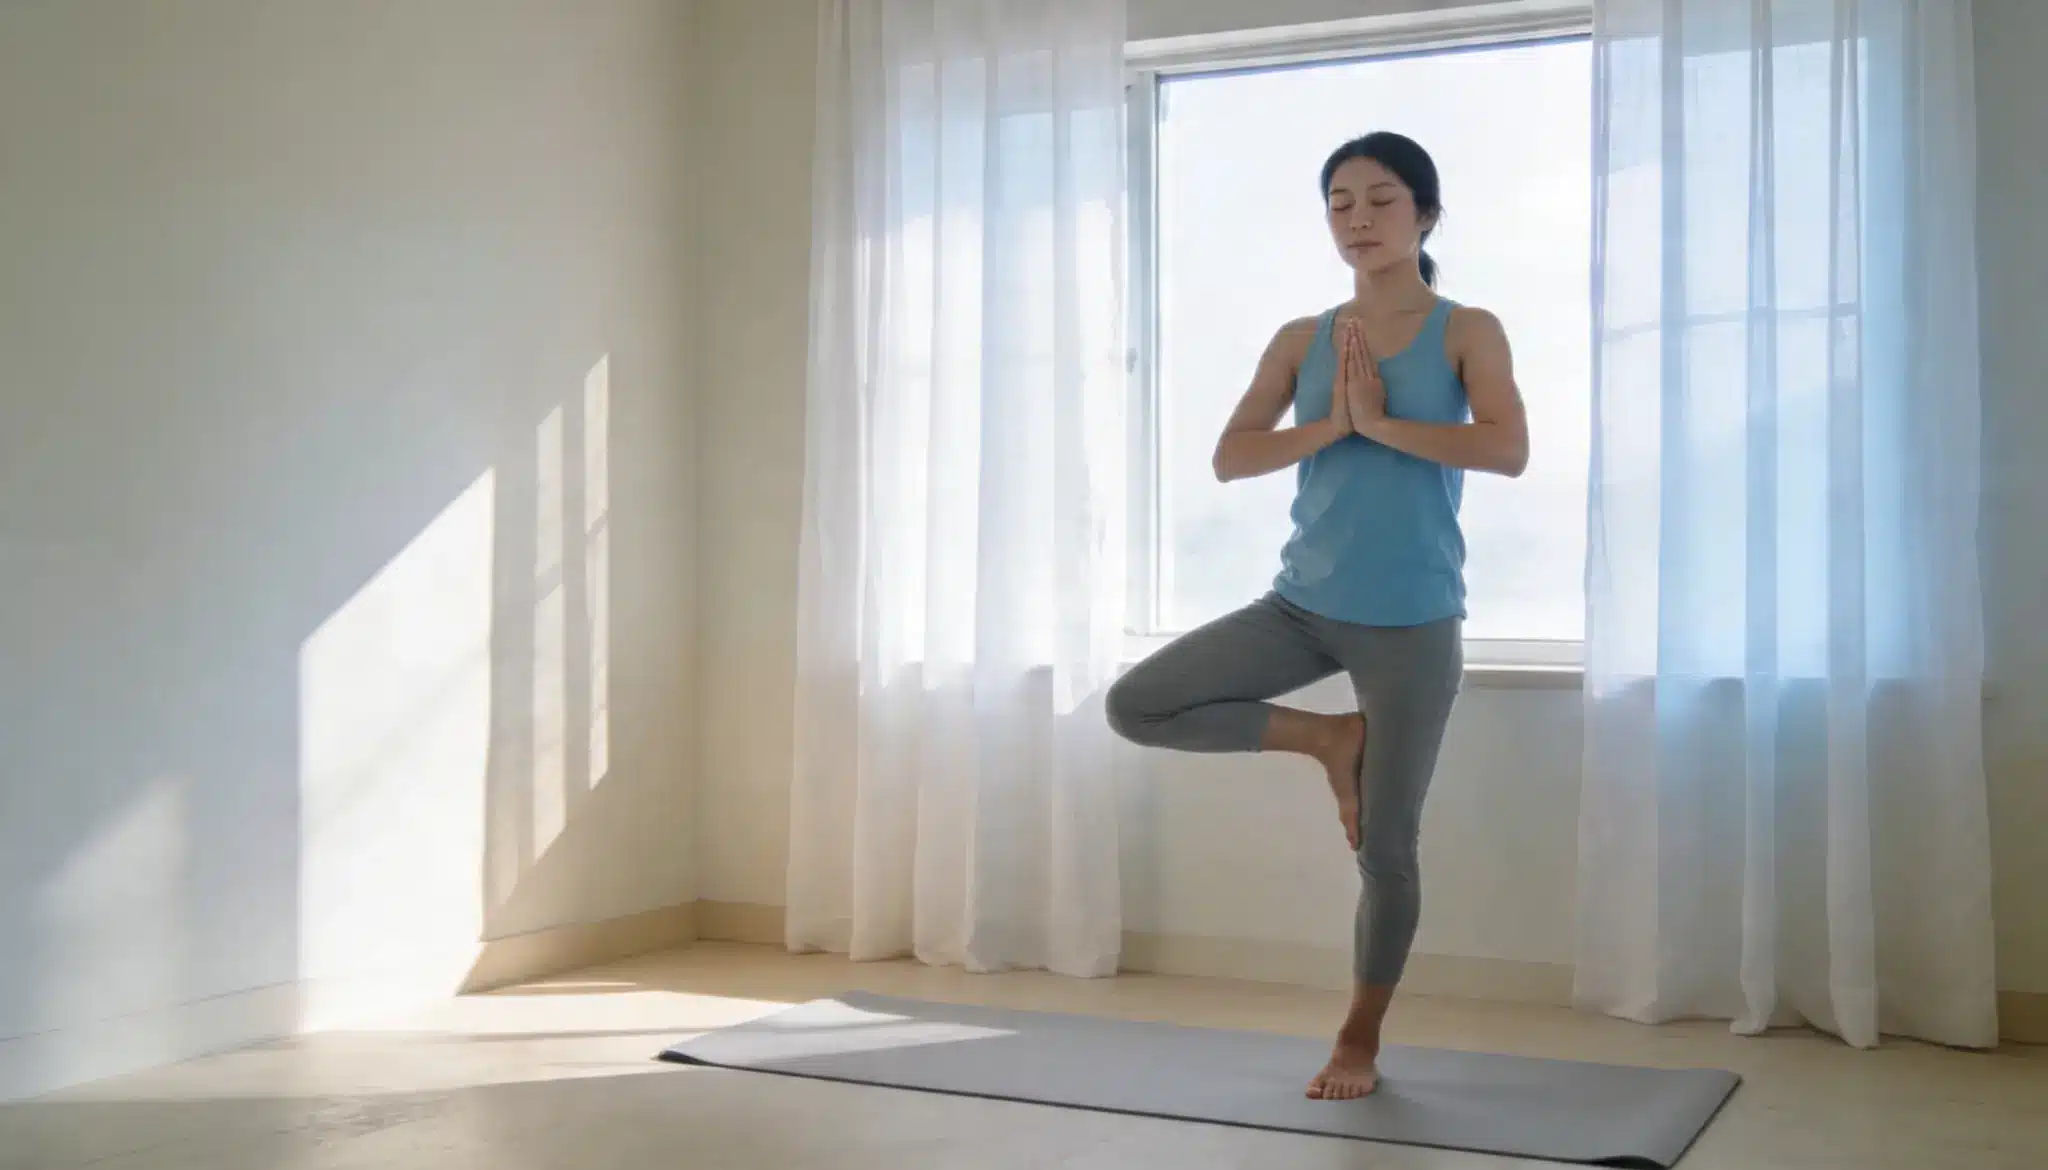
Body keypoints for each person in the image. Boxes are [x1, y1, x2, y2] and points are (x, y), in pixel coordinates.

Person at [1104, 131, 1529, 1100]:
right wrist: (1335, 422)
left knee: (1385, 851)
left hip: (1412, 623)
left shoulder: (1467, 328)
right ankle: (1327, 738)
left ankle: (1357, 1041)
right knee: (1137, 705)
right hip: (1299, 606)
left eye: (1380, 199)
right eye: (1338, 203)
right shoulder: (1301, 338)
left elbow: (1504, 450)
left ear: (1423, 214)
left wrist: (1381, 425)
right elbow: (1230, 457)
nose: (1357, 219)